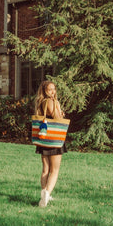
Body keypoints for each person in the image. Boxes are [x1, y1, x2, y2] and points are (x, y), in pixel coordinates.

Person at [34, 80, 67, 208]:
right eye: (50, 89)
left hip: (44, 139)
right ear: (44, 91)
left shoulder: (40, 102)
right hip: (54, 139)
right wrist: (59, 110)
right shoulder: (52, 101)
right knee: (54, 170)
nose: (53, 92)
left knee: (45, 170)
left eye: (54, 89)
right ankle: (47, 194)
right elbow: (58, 118)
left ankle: (44, 193)